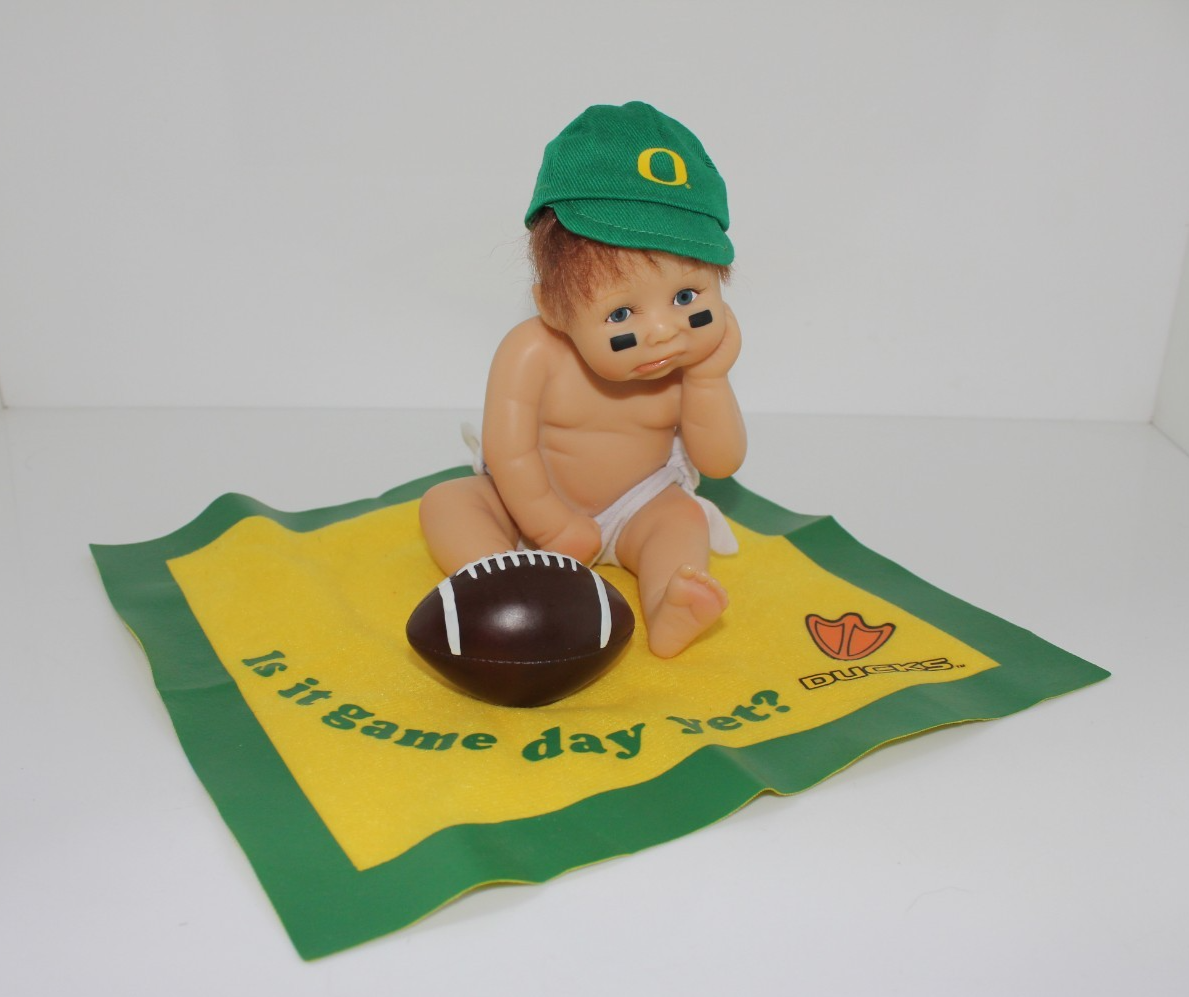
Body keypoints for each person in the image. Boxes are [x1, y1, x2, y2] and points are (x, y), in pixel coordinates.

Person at [419, 102, 746, 658]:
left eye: (686, 297)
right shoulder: (532, 351)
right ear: (553, 307)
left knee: (680, 518)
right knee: (448, 503)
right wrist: (548, 526)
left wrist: (711, 379)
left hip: (638, 506)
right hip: (528, 506)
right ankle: (505, 583)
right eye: (621, 313)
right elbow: (510, 452)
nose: (663, 331)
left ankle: (669, 603)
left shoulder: (692, 366)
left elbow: (720, 463)